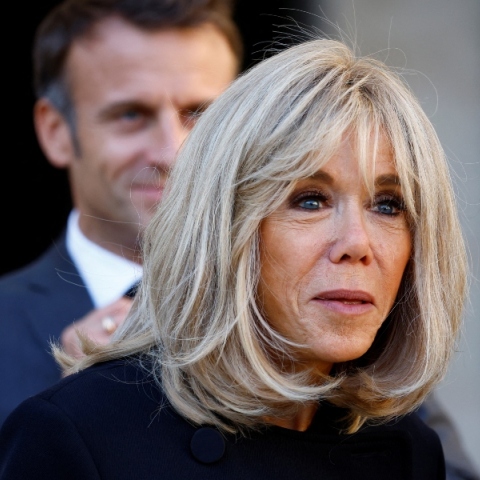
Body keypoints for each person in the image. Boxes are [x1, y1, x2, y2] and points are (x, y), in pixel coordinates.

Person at [0, 37, 468, 478]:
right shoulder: (76, 435)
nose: (357, 243)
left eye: (387, 205)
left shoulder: (408, 449)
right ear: (225, 224)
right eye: (310, 200)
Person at [0, 0, 241, 426]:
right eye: (131, 114)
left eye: (200, 114)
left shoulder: (299, 317)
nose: (173, 152)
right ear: (56, 132)